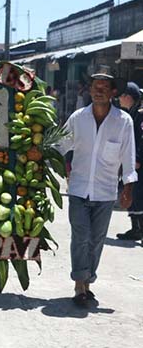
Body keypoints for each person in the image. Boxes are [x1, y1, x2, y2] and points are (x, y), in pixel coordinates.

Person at [58, 72, 137, 307]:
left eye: (104, 87)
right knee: (80, 237)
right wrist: (57, 164)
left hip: (105, 190)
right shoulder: (78, 118)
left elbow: (128, 157)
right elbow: (60, 145)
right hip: (79, 188)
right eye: (95, 86)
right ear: (90, 90)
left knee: (97, 240)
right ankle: (79, 285)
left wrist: (128, 189)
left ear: (113, 92)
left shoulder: (123, 122)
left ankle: (88, 281)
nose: (98, 90)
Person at [116, 81, 143, 240]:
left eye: (122, 95)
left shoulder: (139, 114)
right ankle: (136, 228)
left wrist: (138, 159)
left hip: (138, 163)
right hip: (131, 162)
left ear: (128, 97)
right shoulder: (130, 114)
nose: (119, 98)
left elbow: (141, 139)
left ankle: (139, 229)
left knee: (137, 195)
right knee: (132, 194)